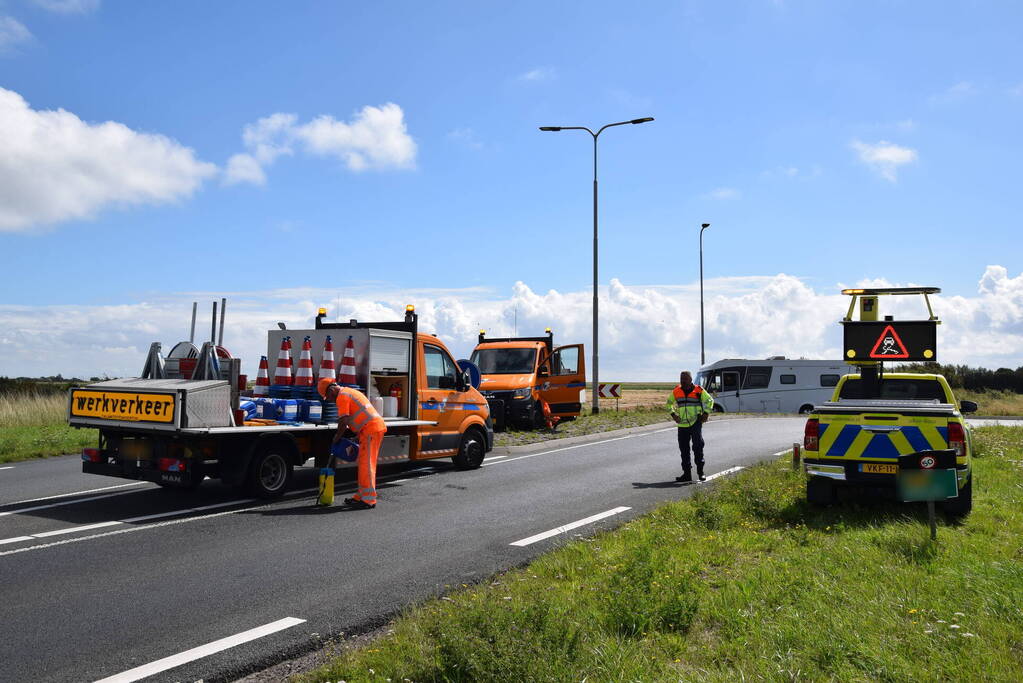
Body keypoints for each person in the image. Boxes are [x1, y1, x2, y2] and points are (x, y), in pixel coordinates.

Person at [318, 378, 387, 509]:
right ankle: (361, 496)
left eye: (328, 397)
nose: (330, 400)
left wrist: (337, 437)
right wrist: (357, 435)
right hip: (369, 430)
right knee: (363, 464)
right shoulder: (348, 392)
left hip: (371, 430)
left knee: (366, 465)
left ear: (331, 390)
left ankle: (369, 499)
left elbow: (343, 421)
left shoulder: (342, 397)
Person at [666, 370, 714, 483]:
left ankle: (701, 472)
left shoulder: (699, 390)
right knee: (684, 449)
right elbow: (668, 403)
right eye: (681, 379)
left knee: (698, 447)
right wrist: (674, 415)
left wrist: (706, 413)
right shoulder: (676, 391)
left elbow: (710, 400)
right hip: (682, 425)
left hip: (696, 423)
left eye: (685, 379)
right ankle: (687, 474)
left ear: (691, 379)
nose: (683, 381)